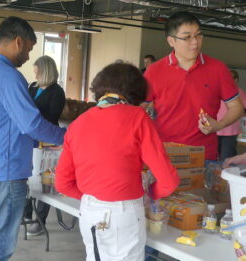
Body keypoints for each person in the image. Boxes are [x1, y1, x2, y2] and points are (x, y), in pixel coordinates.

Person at [55, 62, 179, 261]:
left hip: (89, 211)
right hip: (124, 212)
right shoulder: (138, 118)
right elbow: (169, 181)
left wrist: (94, 197)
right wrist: (149, 193)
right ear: (135, 95)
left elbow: (62, 183)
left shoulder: (78, 124)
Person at [0, 16, 66, 261]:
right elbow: (32, 124)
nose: (27, 57)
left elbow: (8, 123)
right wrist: (68, 136)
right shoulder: (8, 76)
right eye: (29, 49)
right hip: (4, 175)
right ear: (18, 41)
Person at [144, 11, 244, 161]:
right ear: (171, 41)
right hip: (164, 155)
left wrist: (218, 125)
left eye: (199, 35)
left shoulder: (218, 69)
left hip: (203, 156)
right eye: (187, 37)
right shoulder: (154, 71)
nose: (195, 42)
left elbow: (237, 107)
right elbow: (137, 108)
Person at [24, 55, 65, 236]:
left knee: (44, 179)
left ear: (45, 71)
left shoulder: (57, 92)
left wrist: (32, 116)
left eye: (37, 72)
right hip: (29, 137)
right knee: (27, 175)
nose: (35, 75)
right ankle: (26, 214)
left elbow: (53, 116)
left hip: (48, 139)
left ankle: (40, 220)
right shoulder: (32, 87)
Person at [217, 70, 246, 161]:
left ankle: (226, 173)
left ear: (236, 80)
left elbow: (244, 112)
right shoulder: (218, 90)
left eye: (231, 78)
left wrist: (243, 129)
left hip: (230, 132)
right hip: (215, 129)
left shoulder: (240, 93)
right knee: (216, 156)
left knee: (225, 157)